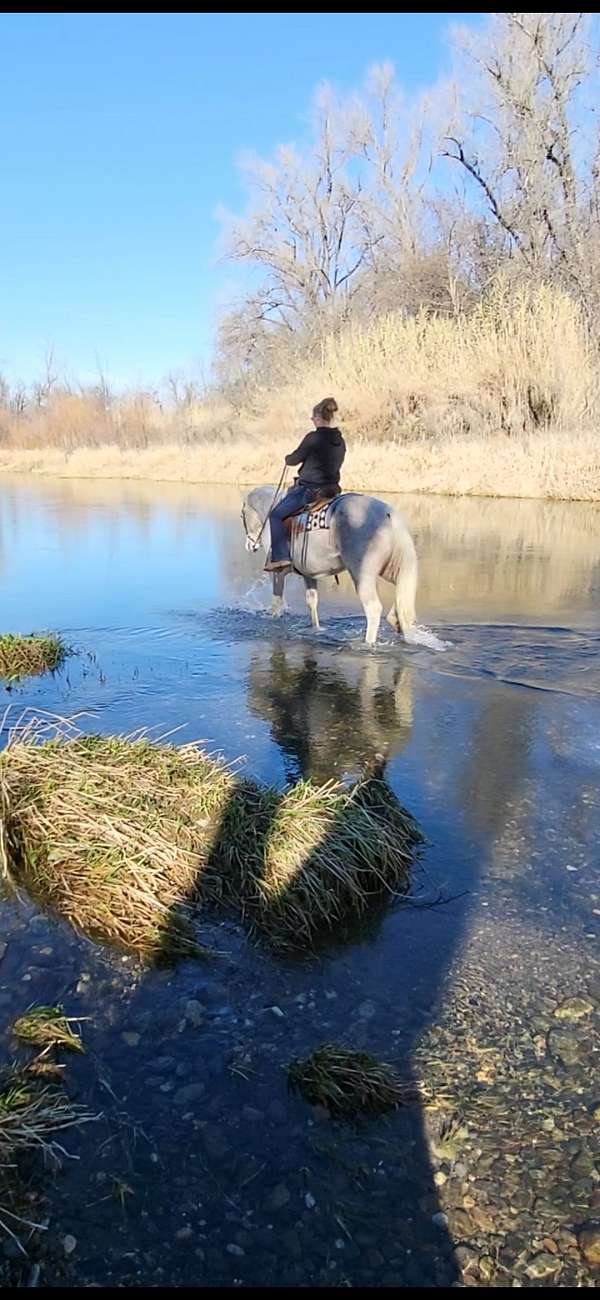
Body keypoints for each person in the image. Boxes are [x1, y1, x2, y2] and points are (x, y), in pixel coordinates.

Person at [264, 397, 346, 572]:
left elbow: (294, 459)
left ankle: (281, 558)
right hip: (332, 490)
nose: (312, 421)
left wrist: (287, 458)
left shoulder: (313, 438)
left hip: (310, 490)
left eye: (312, 418)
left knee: (275, 515)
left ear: (317, 417)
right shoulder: (340, 440)